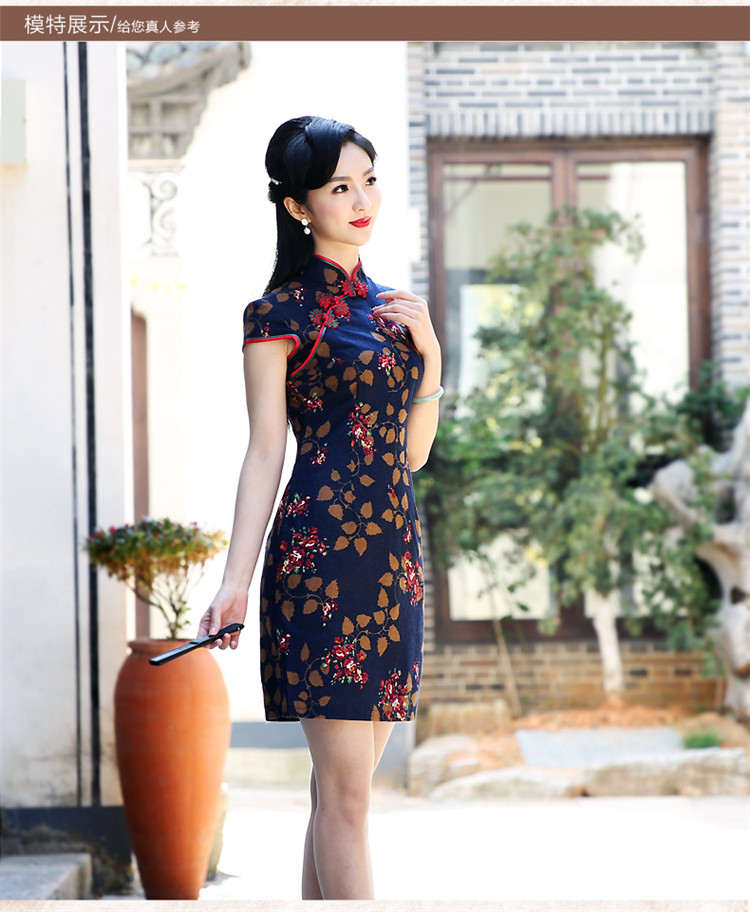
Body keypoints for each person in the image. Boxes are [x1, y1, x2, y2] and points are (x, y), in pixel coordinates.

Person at [198, 115, 442, 900]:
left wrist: (432, 358)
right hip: (321, 563)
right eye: (341, 187)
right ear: (299, 206)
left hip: (392, 566)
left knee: (340, 793)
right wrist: (234, 582)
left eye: (369, 180)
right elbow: (265, 452)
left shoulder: (395, 312)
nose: (362, 200)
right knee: (347, 797)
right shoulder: (277, 315)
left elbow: (412, 454)